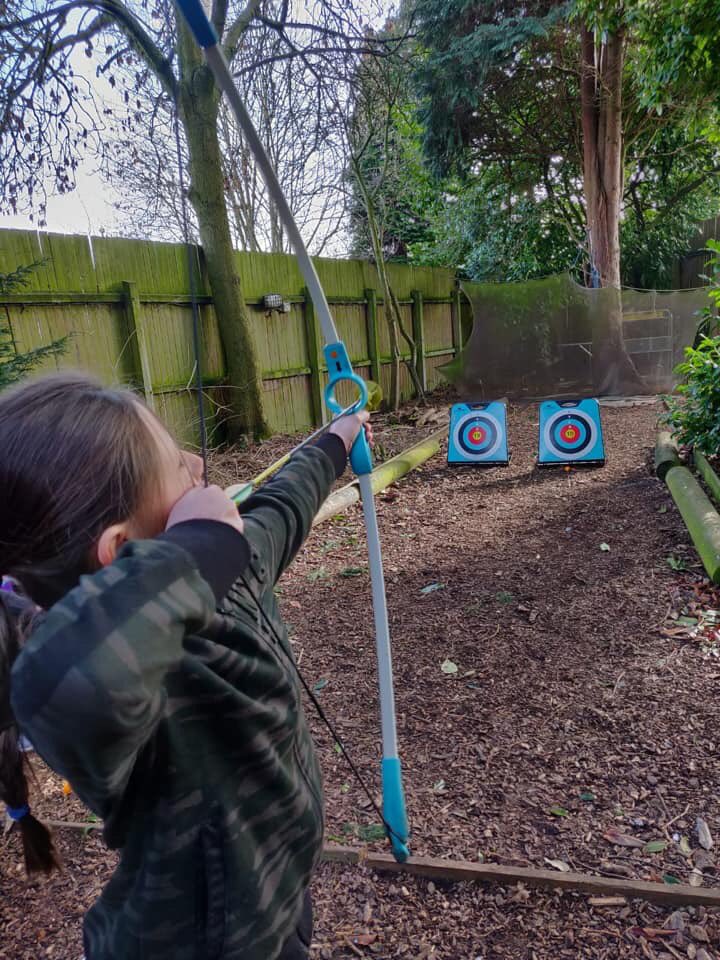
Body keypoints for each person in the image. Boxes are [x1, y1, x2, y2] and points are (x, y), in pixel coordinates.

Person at [0, 372, 371, 960]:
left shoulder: (228, 571)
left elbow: (281, 506)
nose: (200, 464)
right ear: (123, 552)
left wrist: (335, 440)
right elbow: (68, 683)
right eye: (178, 466)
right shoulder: (88, 680)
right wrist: (200, 546)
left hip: (274, 900)